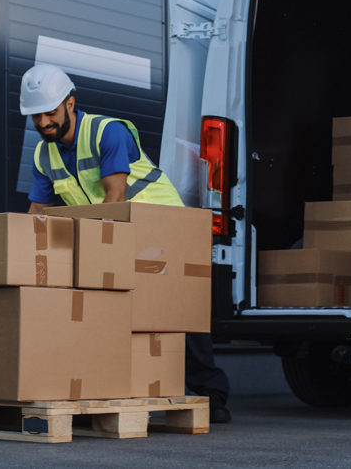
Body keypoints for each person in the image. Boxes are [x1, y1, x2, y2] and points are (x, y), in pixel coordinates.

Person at [21, 64, 233, 423]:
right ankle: (109, 387)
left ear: (70, 104)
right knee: (118, 310)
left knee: (178, 307)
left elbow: (115, 197)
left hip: (164, 227)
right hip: (116, 230)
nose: (43, 123)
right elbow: (37, 211)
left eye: (50, 113)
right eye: (35, 115)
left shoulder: (107, 132)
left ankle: (210, 393)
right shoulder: (46, 155)